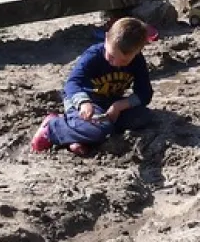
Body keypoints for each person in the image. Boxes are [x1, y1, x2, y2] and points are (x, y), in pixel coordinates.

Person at [31, 17, 155, 156]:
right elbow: (72, 83)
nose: (115, 63)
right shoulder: (93, 56)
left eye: (124, 61)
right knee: (101, 130)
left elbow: (145, 93)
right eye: (112, 56)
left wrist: (119, 106)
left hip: (110, 102)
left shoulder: (137, 61)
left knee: (144, 117)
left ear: (137, 52)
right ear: (106, 38)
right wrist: (84, 102)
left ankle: (77, 137)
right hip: (84, 101)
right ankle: (53, 127)